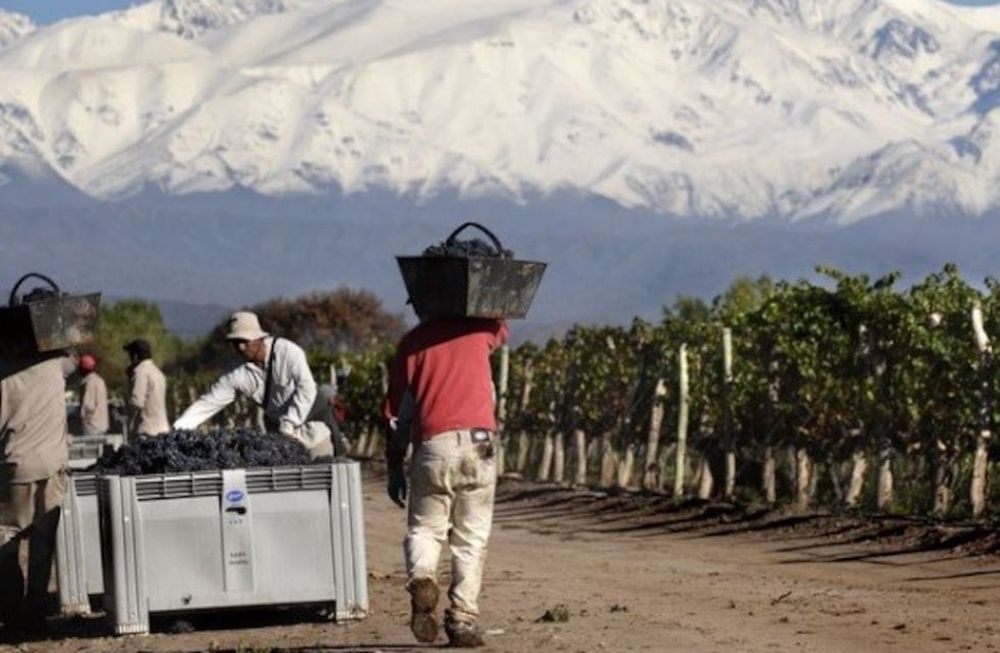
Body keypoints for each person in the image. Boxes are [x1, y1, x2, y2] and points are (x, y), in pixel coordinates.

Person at [384, 316, 508, 648]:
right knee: (472, 537)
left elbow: (398, 412)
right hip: (479, 445)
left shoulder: (413, 342)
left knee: (425, 528)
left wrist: (395, 462)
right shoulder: (482, 331)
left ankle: (422, 577)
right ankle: (463, 621)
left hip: (433, 445)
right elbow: (502, 324)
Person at [173, 311, 347, 456]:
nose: (240, 348)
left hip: (312, 425)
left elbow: (306, 388)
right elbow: (210, 402)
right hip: (280, 435)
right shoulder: (236, 373)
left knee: (325, 476)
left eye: (244, 341)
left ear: (258, 338)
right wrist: (179, 427)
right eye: (235, 343)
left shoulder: (287, 352)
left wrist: (289, 422)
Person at [0, 344, 72, 636]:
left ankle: (11, 612)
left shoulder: (4, 372)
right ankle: (37, 614)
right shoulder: (57, 365)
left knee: (6, 541)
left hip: (14, 468)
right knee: (43, 546)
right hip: (54, 467)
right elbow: (76, 359)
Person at [123, 339, 170, 437]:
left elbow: (137, 402)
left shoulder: (140, 372)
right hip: (162, 428)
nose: (129, 359)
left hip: (146, 430)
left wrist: (122, 410)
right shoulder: (158, 372)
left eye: (130, 355)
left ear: (135, 356)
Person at [77, 354, 109, 435]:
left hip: (91, 426)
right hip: (102, 424)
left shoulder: (89, 383)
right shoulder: (100, 380)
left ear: (83, 368)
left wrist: (81, 416)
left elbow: (88, 406)